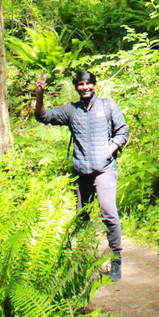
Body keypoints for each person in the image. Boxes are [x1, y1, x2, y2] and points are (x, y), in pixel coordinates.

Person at [34, 70, 129, 282]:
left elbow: (122, 132)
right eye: (81, 84)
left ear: (94, 86)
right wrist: (40, 93)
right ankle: (83, 258)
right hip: (81, 171)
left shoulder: (108, 106)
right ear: (77, 87)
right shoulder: (71, 110)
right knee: (82, 215)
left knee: (109, 212)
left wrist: (108, 151)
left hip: (104, 169)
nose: (85, 88)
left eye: (88, 84)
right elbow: (42, 116)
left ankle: (116, 257)